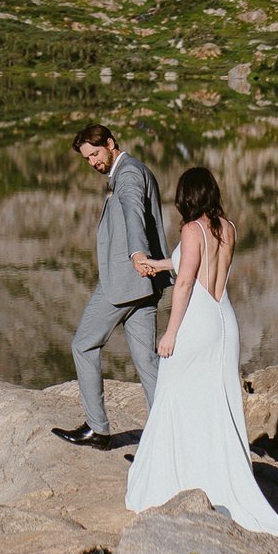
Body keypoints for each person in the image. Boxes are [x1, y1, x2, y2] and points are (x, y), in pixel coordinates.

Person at [122, 165, 278, 544]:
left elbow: (185, 283)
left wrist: (170, 333)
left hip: (196, 321)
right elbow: (196, 265)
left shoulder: (189, 229)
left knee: (173, 396)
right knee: (218, 401)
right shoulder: (227, 227)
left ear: (187, 197)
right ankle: (219, 474)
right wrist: (159, 264)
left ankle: (175, 479)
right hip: (224, 320)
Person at [50, 123, 171, 451]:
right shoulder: (136, 169)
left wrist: (136, 252)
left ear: (111, 143)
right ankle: (171, 435)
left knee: (83, 345)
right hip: (145, 282)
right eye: (87, 158)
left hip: (126, 278)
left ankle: (97, 429)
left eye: (95, 154)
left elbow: (132, 212)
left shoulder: (128, 174)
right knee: (147, 360)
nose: (92, 162)